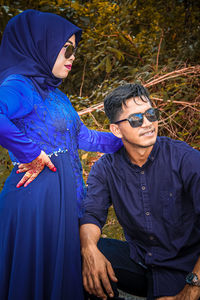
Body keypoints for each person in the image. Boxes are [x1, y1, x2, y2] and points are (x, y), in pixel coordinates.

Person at [0, 9, 123, 300]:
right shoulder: (20, 85)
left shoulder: (57, 95)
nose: (72, 57)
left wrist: (126, 139)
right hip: (36, 203)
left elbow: (84, 137)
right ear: (41, 45)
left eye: (74, 51)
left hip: (66, 201)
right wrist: (29, 151)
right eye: (66, 49)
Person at [80, 83, 200, 300]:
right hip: (142, 262)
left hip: (188, 265)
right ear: (116, 130)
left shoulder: (185, 158)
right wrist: (89, 248)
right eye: (136, 119)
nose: (148, 124)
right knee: (79, 256)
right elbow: (92, 215)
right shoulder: (106, 168)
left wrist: (193, 286)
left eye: (151, 114)